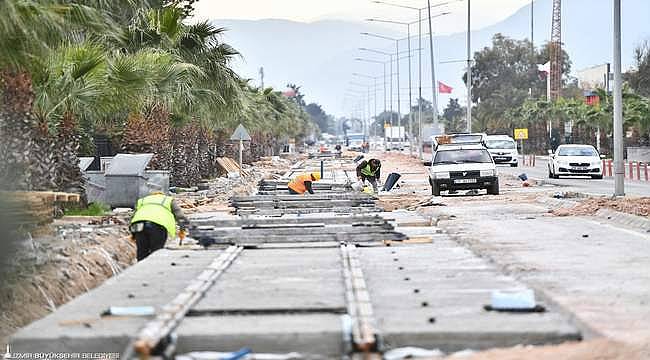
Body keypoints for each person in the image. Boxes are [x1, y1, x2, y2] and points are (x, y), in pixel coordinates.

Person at [130, 191, 187, 261]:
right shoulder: (168, 200)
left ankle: (141, 269)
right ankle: (154, 269)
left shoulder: (142, 200)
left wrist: (133, 233)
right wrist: (182, 229)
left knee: (142, 252)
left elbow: (133, 217)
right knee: (156, 251)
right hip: (158, 226)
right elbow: (180, 217)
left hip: (139, 225)